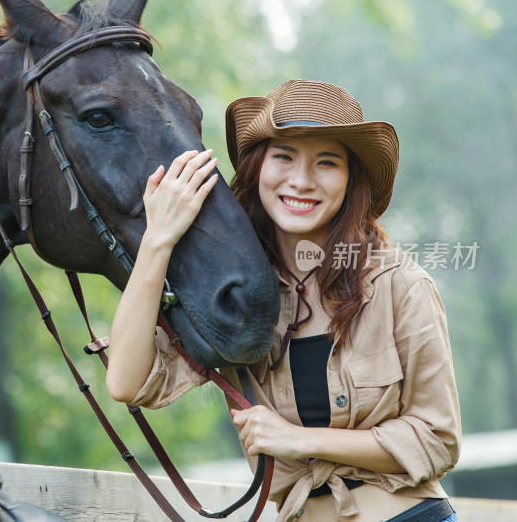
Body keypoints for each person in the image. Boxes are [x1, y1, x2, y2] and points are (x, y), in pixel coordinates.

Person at [105, 80, 461, 522]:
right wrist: (158, 241)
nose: (301, 180)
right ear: (258, 168)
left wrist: (299, 439)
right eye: (284, 156)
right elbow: (127, 382)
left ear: (351, 180)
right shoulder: (235, 293)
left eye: (326, 162)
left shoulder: (400, 286)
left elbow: (437, 439)